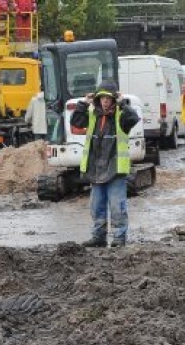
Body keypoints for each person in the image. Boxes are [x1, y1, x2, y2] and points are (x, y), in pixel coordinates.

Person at [70, 80, 140, 248]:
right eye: (102, 98)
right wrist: (83, 103)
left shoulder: (121, 117)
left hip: (115, 169)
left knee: (117, 207)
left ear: (114, 99)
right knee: (96, 207)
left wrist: (123, 103)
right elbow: (76, 121)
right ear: (97, 99)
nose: (105, 101)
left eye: (108, 98)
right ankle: (98, 237)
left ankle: (119, 238)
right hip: (96, 169)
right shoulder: (93, 115)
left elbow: (133, 117)